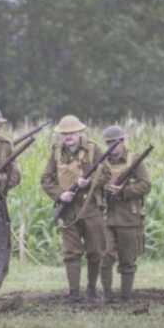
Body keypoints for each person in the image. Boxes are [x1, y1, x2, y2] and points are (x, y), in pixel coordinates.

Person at [40, 115, 109, 303]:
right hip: (68, 209)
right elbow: (46, 180)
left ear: (80, 133)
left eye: (72, 133)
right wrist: (60, 195)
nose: (68, 136)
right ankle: (74, 293)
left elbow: (106, 175)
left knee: (95, 251)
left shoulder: (94, 149)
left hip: (91, 207)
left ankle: (92, 290)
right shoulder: (56, 152)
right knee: (71, 252)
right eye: (64, 133)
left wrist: (88, 182)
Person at [100, 125, 151, 303]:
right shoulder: (102, 163)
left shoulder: (134, 160)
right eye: (108, 143)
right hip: (106, 217)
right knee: (105, 256)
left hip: (129, 217)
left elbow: (145, 185)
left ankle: (126, 297)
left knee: (127, 261)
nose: (111, 147)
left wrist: (123, 190)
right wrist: (104, 188)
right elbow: (94, 186)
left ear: (122, 142)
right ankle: (107, 296)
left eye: (115, 142)